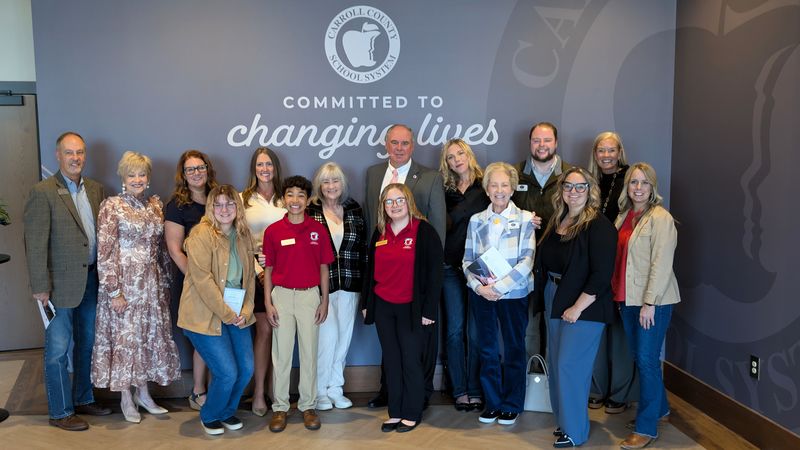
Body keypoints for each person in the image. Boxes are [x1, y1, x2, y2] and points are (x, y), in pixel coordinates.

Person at [23, 131, 111, 431]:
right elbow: (34, 244)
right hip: (57, 287)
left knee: (86, 344)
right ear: (58, 156)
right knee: (58, 349)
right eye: (70, 153)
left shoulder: (97, 190)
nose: (76, 158)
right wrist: (40, 286)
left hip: (91, 280)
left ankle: (84, 398)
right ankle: (60, 412)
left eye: (81, 152)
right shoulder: (43, 191)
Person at [92, 151, 181, 423]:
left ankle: (144, 394)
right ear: (123, 177)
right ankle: (126, 398)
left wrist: (165, 285)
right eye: (132, 174)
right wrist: (114, 291)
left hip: (151, 286)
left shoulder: (156, 205)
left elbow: (162, 249)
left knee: (145, 339)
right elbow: (105, 252)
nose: (137, 179)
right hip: (124, 286)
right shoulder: (112, 206)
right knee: (126, 341)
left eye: (142, 174)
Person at [363, 123, 445, 409]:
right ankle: (391, 399)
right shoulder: (373, 175)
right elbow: (370, 231)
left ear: (413, 146)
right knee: (392, 351)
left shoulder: (431, 178)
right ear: (386, 144)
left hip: (414, 288)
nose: (399, 148)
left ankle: (417, 400)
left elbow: (437, 239)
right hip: (386, 288)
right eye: (394, 142)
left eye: (405, 143)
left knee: (412, 353)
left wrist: (427, 302)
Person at [535, 167, 617, 448]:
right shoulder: (558, 219)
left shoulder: (599, 225)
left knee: (571, 366)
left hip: (584, 306)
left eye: (580, 187)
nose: (573, 191)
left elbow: (602, 273)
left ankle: (576, 432)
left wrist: (578, 306)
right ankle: (565, 423)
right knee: (558, 366)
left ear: (590, 190)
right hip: (555, 297)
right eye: (568, 186)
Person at [177, 185, 256, 435]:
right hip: (204, 314)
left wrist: (246, 309)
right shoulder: (201, 234)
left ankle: (226, 411)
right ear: (211, 208)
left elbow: (250, 278)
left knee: (246, 369)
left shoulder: (243, 234)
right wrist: (228, 313)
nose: (224, 209)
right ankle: (210, 414)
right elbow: (203, 281)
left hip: (236, 312)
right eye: (218, 204)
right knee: (227, 372)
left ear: (237, 208)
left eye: (230, 204)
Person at [463, 162, 535, 426]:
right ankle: (492, 402)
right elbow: (467, 260)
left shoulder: (526, 218)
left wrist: (500, 288)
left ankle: (512, 404)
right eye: (494, 184)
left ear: (513, 188)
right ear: (487, 188)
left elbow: (527, 261)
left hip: (514, 295)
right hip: (482, 296)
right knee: (488, 349)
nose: (499, 190)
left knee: (514, 349)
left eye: (505, 184)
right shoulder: (476, 220)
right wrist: (480, 287)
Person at [616, 163, 681, 450]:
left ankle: (646, 428)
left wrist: (649, 302)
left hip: (653, 302)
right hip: (626, 298)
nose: (638, 188)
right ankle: (662, 410)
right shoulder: (624, 216)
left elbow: (661, 264)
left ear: (652, 187)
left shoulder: (661, 218)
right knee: (641, 358)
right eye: (633, 182)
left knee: (646, 360)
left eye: (644, 183)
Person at [264, 176, 334, 433]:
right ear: (284, 199)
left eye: (301, 195)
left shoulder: (317, 230)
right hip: (281, 296)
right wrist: (268, 302)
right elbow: (268, 270)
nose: (295, 200)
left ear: (308, 200)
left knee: (309, 353)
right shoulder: (273, 231)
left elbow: (324, 267)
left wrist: (324, 299)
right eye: (290, 195)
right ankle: (280, 408)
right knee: (281, 355)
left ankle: (308, 406)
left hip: (309, 297)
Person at [586, 131, 638, 414]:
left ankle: (619, 393)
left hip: (621, 264)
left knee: (619, 334)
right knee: (595, 330)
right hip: (594, 264)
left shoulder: (632, 179)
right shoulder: (589, 181)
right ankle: (597, 388)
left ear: (620, 152)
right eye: (601, 151)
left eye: (611, 150)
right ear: (595, 154)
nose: (606, 156)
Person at [307, 162, 366, 410]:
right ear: (320, 186)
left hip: (351, 283)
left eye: (336, 181)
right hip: (323, 287)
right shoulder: (311, 211)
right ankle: (320, 391)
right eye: (326, 181)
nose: (331, 186)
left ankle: (336, 388)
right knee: (326, 338)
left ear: (343, 184)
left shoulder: (353, 208)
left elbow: (363, 248)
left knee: (344, 338)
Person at [512, 122, 572, 363]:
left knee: (557, 324)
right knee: (529, 327)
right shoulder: (514, 173)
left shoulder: (570, 175)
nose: (542, 145)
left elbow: (581, 213)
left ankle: (555, 384)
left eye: (547, 140)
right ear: (530, 143)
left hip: (560, 262)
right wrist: (522, 220)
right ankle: (532, 380)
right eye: (536, 140)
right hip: (523, 262)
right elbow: (502, 213)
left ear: (556, 143)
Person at [165, 149, 218, 411]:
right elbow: (175, 250)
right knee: (203, 337)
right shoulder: (176, 206)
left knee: (222, 336)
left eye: (200, 168)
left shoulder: (219, 199)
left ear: (208, 170)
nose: (196, 173)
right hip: (193, 283)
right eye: (190, 169)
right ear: (183, 175)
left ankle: (219, 390)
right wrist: (199, 280)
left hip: (223, 283)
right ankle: (198, 392)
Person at [438, 139, 488, 411]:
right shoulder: (443, 191)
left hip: (480, 267)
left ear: (469, 155)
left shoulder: (486, 185)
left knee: (476, 332)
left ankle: (475, 388)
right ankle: (459, 390)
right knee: (455, 331)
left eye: (460, 154)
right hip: (450, 266)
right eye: (450, 157)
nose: (456, 160)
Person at [240, 146, 286, 416]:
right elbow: (242, 241)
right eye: (260, 165)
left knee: (283, 334)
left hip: (285, 272)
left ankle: (276, 392)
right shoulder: (243, 199)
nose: (264, 169)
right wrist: (258, 269)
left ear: (276, 167)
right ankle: (258, 393)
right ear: (253, 169)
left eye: (269, 164)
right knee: (265, 332)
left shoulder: (286, 198)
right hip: (256, 272)